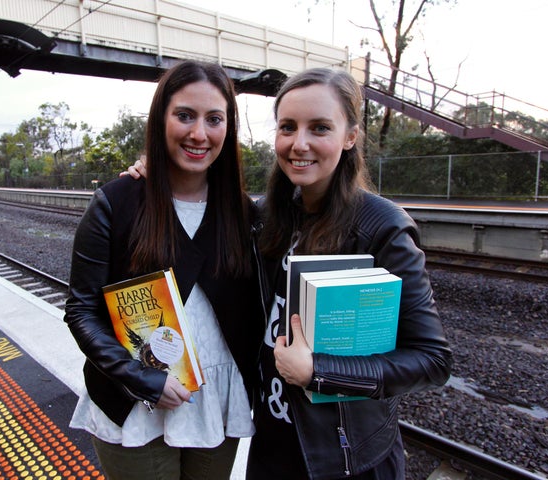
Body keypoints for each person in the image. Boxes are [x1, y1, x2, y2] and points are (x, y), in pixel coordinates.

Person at [64, 60, 267, 480]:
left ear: (229, 129)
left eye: (214, 119)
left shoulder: (245, 214)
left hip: (217, 403)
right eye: (185, 116)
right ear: (161, 120)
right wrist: (140, 378)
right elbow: (81, 310)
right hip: (135, 401)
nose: (199, 134)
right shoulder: (116, 204)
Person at [247, 68, 453, 479]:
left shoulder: (382, 227)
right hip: (271, 441)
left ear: (350, 137)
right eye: (287, 127)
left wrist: (318, 371)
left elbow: (432, 360)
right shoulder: (267, 216)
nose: (299, 143)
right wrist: (150, 174)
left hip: (343, 459)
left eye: (319, 127)